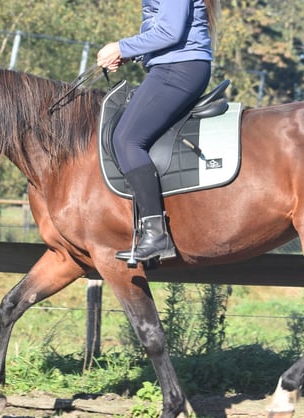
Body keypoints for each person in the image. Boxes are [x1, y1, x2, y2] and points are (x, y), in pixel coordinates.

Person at [97, 0, 219, 263]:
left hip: (179, 68)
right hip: (173, 65)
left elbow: (169, 32)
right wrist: (131, 54)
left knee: (126, 139)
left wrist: (120, 46)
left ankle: (155, 235)